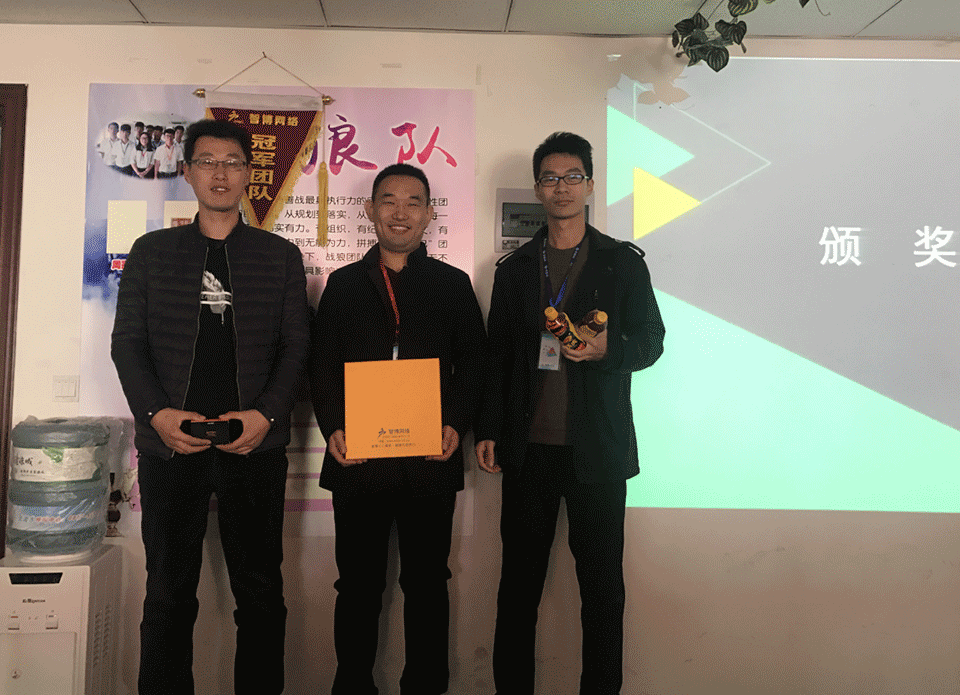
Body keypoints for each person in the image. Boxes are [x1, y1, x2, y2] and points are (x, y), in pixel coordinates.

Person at [111, 118, 310, 695]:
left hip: (254, 445)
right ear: (188, 171)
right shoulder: (152, 252)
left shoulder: (278, 256)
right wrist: (157, 416)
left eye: (232, 163)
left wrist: (265, 416)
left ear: (249, 174)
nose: (220, 174)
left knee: (261, 593)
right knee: (168, 593)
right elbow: (127, 344)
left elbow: (298, 346)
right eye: (207, 162)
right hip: (172, 445)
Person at [475, 132, 665, 695]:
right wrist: (489, 428)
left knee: (603, 591)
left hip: (598, 451)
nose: (562, 187)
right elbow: (497, 356)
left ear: (590, 184)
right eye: (550, 178)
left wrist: (609, 350)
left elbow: (651, 341)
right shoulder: (515, 269)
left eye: (572, 176)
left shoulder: (621, 263)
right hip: (527, 451)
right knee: (518, 590)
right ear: (538, 188)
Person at [310, 163, 485, 695]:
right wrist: (334, 428)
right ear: (370, 210)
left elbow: (474, 365)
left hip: (430, 458)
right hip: (358, 458)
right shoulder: (343, 285)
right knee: (356, 586)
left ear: (430, 213)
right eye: (388, 200)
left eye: (413, 202)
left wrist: (455, 424)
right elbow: (322, 365)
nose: (400, 212)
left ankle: (426, 686)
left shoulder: (452, 285)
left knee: (427, 584)